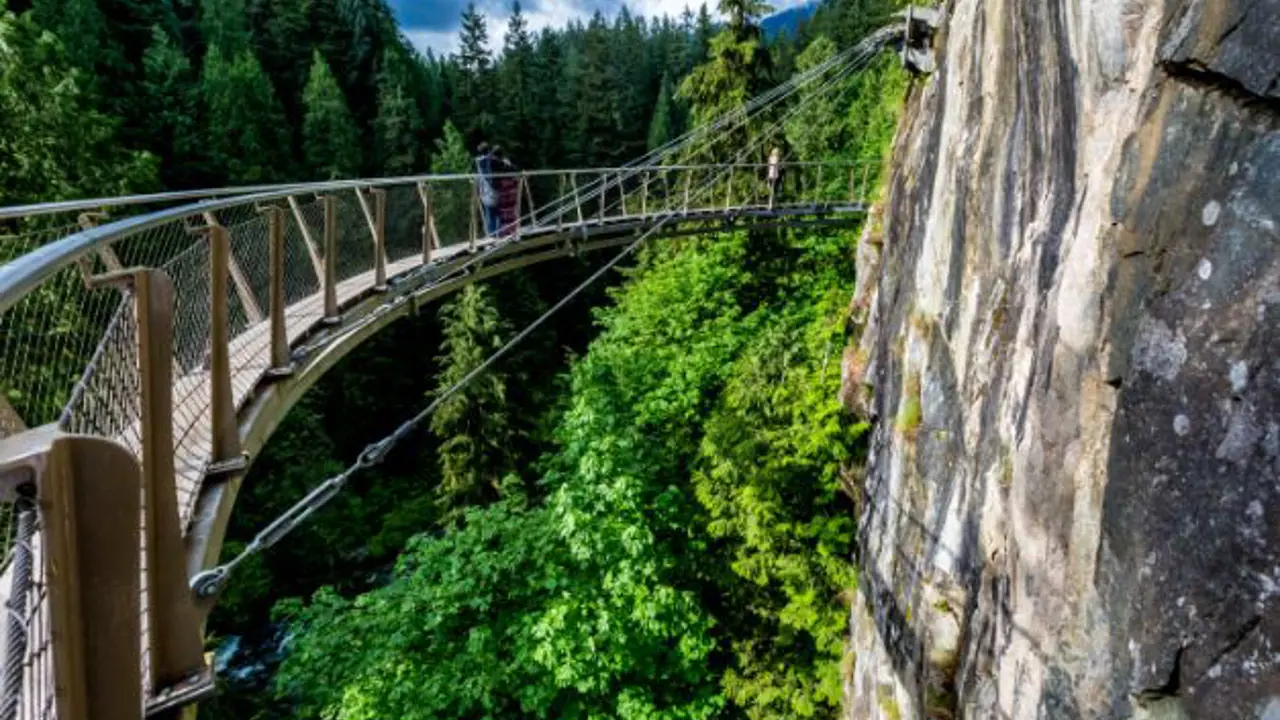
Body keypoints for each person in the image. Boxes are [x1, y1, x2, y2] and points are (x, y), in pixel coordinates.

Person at [474, 142, 500, 236]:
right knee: (497, 214)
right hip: (496, 191)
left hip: (485, 192)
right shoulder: (493, 160)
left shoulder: (479, 162)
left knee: (490, 216)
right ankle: (497, 234)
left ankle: (491, 236)